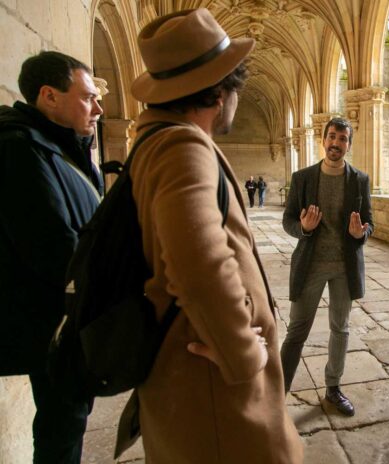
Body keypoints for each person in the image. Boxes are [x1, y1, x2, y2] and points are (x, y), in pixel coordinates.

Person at [119, 9, 302, 463]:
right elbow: (198, 264)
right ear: (221, 92)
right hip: (215, 385)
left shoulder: (155, 140)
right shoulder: (183, 147)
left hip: (195, 373)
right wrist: (242, 353)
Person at [0, 51, 103, 463]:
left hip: (65, 315)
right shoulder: (20, 149)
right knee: (61, 429)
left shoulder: (54, 145)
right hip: (51, 321)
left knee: (68, 420)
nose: (98, 108)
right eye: (88, 97)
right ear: (49, 96)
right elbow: (52, 247)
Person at [281, 117, 373, 416]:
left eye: (343, 138)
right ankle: (277, 391)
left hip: (344, 267)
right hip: (311, 265)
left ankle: (333, 388)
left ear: (349, 144)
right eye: (332, 136)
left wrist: (362, 233)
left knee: (340, 328)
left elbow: (369, 222)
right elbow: (289, 221)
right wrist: (304, 228)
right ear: (323, 140)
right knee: (297, 330)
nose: (336, 143)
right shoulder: (303, 178)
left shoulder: (359, 179)